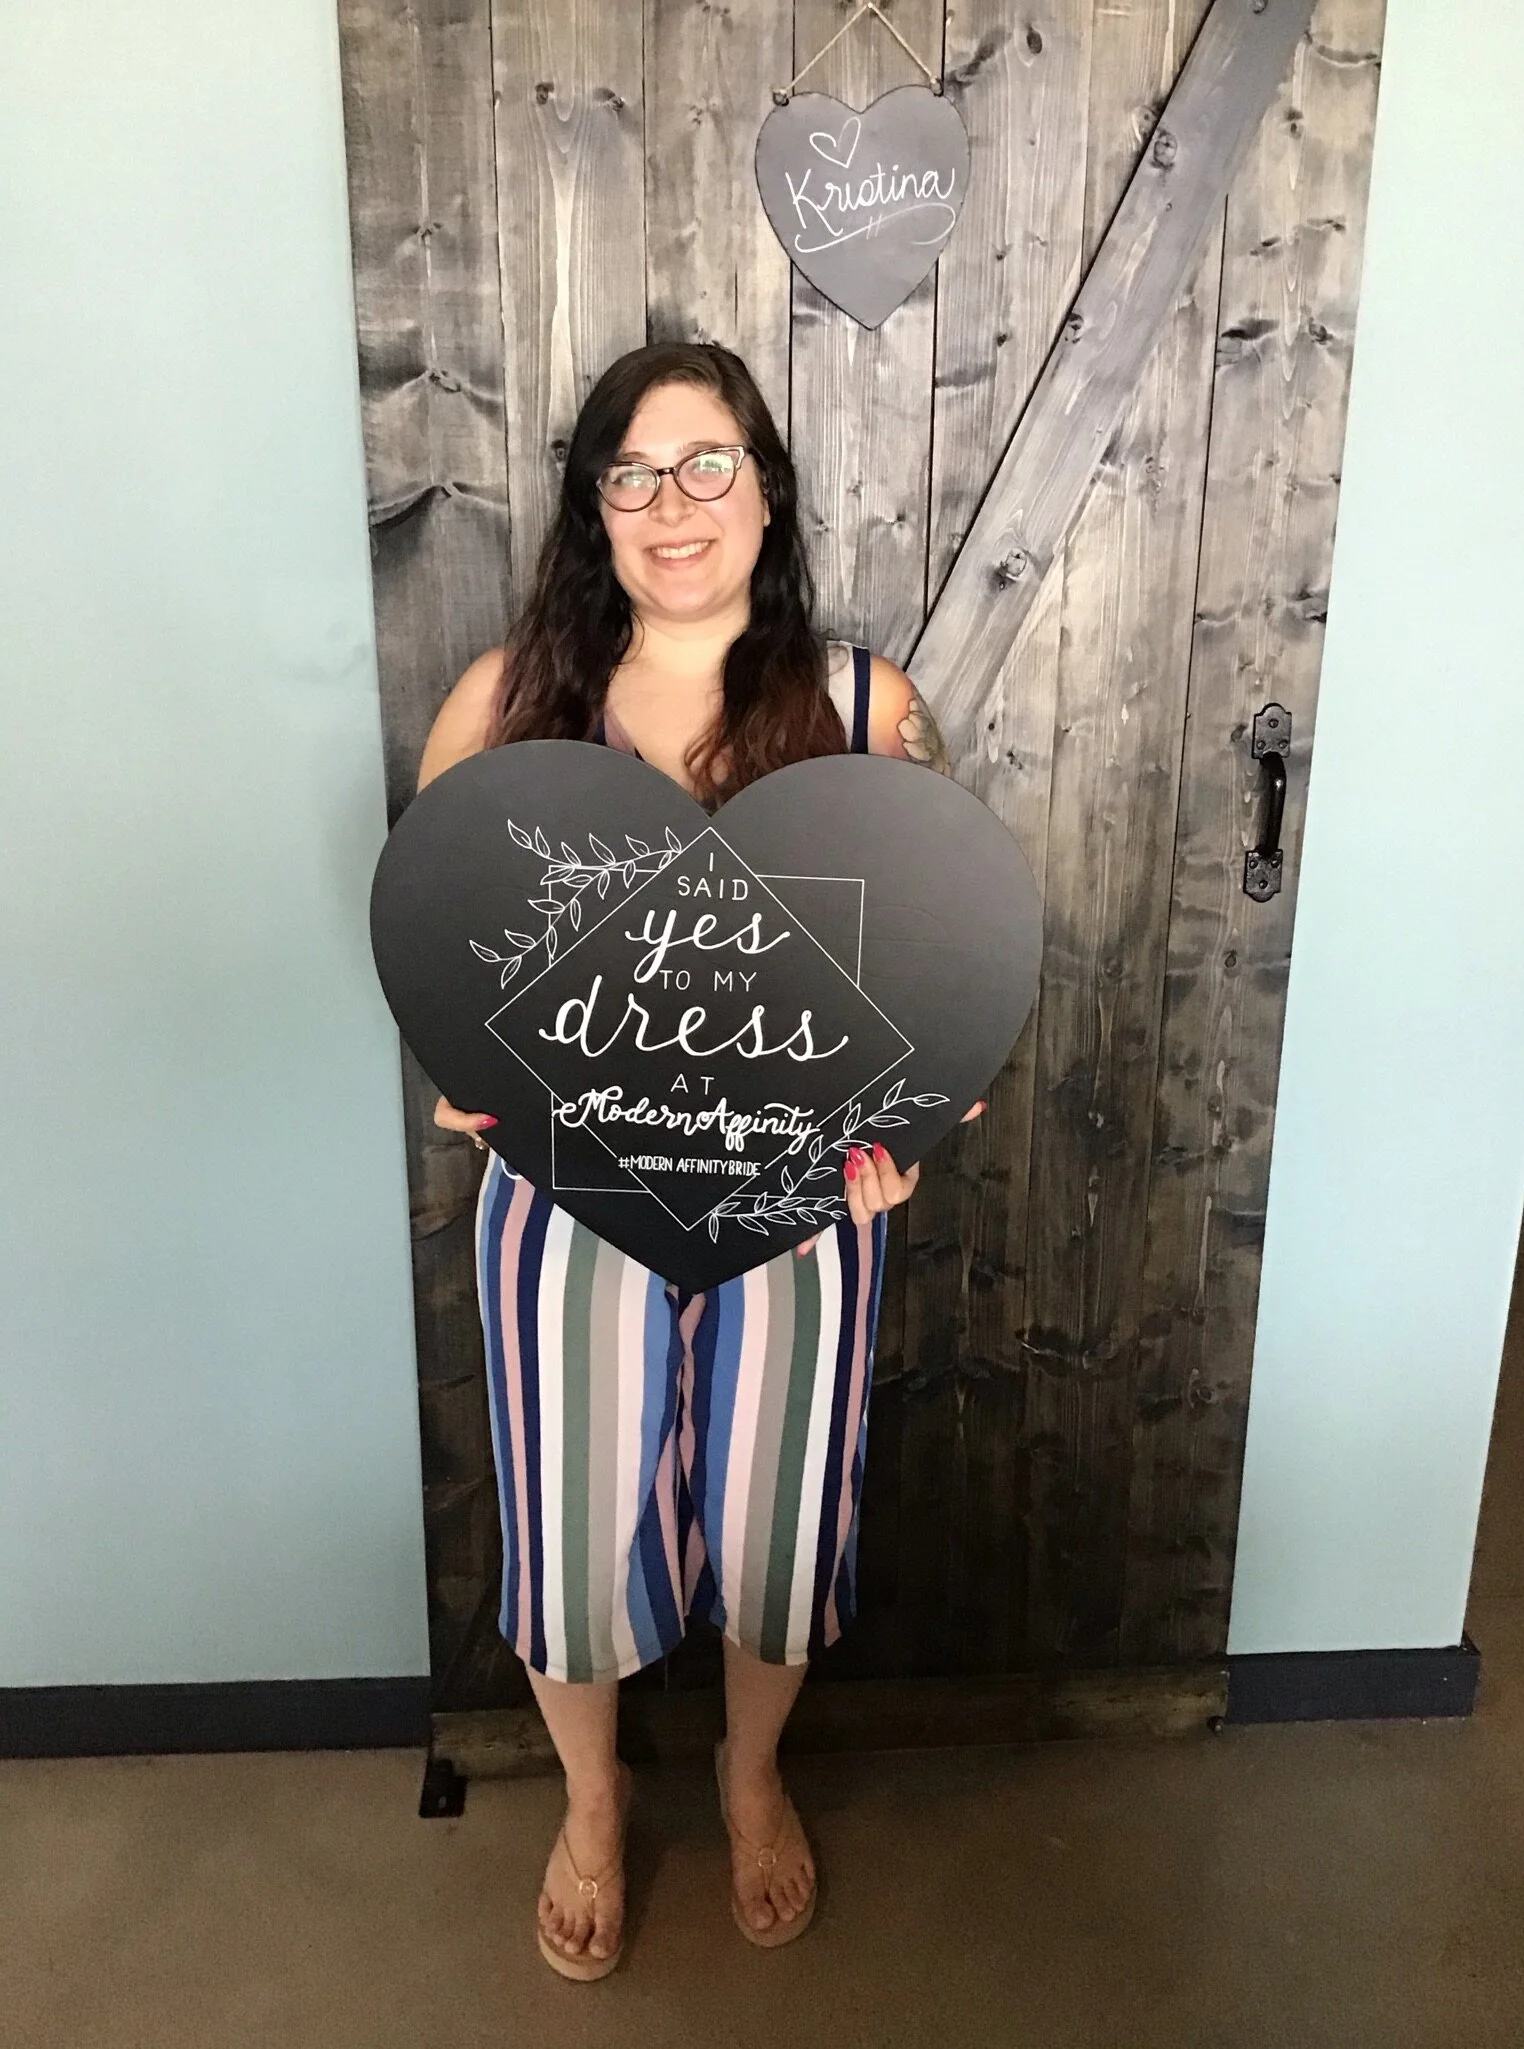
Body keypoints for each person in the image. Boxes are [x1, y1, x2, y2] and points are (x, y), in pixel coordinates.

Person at [416, 341, 980, 1978]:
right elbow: (436, 943)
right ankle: (593, 1803)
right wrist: (461, 1072)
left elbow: (939, 966)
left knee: (778, 1517)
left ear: (768, 488)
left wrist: (916, 1125)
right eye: (634, 474)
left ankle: (748, 1775)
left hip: (799, 1212)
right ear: (595, 506)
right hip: (566, 1206)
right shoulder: (509, 699)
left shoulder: (869, 710)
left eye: (708, 464)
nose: (674, 505)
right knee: (572, 1523)